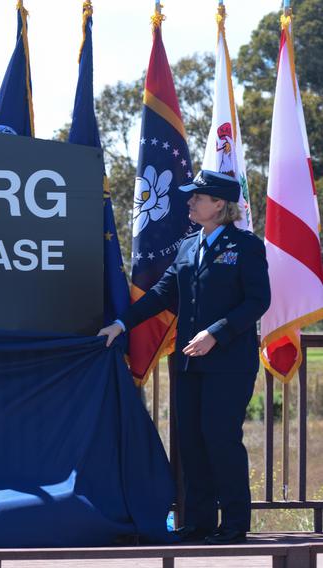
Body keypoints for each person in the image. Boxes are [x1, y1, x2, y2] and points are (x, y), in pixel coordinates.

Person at [98, 169, 270, 546]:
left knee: (220, 438)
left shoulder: (246, 246)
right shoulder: (189, 246)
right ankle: (199, 521)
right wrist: (121, 325)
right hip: (189, 362)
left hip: (228, 362)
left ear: (220, 205)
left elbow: (258, 301)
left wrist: (216, 333)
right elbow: (161, 294)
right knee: (191, 440)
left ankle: (235, 523)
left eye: (198, 198)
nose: (190, 202)